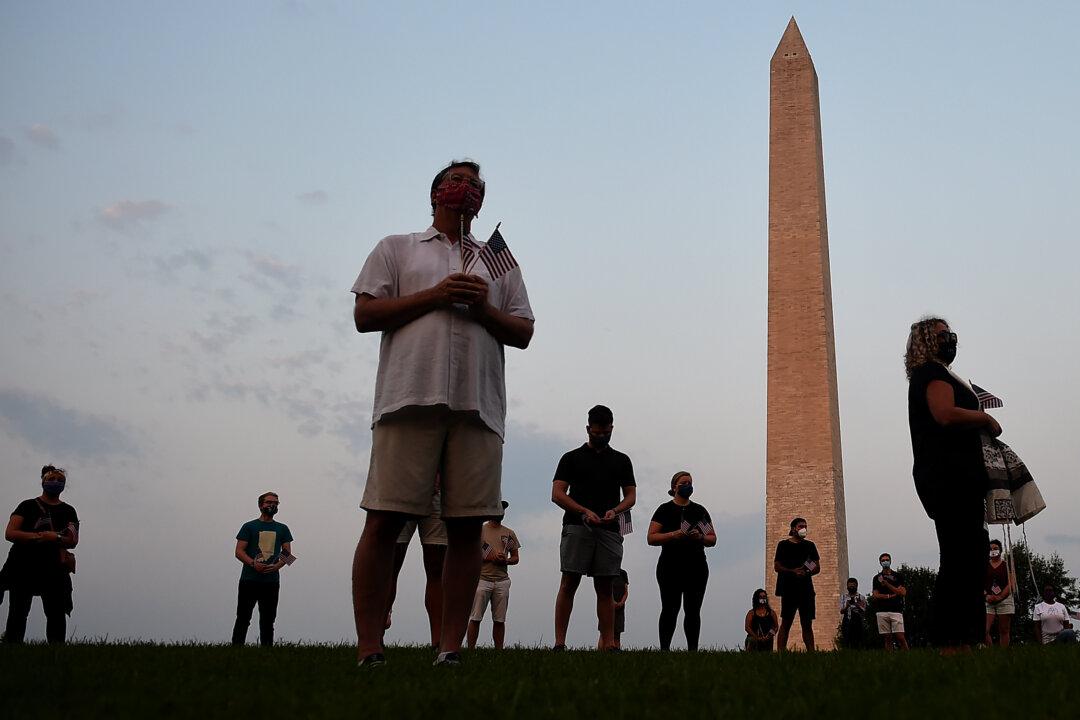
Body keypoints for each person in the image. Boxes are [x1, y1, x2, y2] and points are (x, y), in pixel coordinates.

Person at [350, 159, 534, 667]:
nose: (465, 189)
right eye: (457, 180)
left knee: (466, 529)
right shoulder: (397, 247)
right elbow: (365, 314)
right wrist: (435, 296)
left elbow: (523, 330)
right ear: (435, 192)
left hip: (477, 408)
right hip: (408, 397)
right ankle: (370, 648)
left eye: (476, 184)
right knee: (384, 520)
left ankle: (449, 648)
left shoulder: (497, 261)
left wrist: (482, 310)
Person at [906, 317, 996, 649]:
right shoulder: (931, 374)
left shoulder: (936, 374)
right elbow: (944, 413)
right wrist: (985, 418)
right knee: (960, 558)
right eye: (944, 335)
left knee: (971, 556)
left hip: (959, 478)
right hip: (949, 479)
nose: (951, 339)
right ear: (926, 341)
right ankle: (950, 642)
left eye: (951, 334)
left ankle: (968, 640)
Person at [551, 404, 636, 651]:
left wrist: (616, 511)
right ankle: (560, 643)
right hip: (577, 528)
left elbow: (630, 496)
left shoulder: (621, 460)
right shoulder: (571, 458)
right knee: (569, 582)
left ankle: (609, 643)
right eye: (595, 432)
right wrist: (583, 511)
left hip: (609, 530)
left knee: (605, 586)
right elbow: (557, 493)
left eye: (604, 432)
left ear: (611, 429)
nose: (600, 436)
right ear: (588, 429)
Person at [1, 465, 79, 644]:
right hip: (22, 565)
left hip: (54, 568)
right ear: (43, 481)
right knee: (18, 612)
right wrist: (38, 537)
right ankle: (12, 648)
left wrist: (55, 537)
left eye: (60, 480)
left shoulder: (69, 510)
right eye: (51, 479)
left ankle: (56, 652)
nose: (56, 483)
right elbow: (10, 533)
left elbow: (73, 540)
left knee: (56, 613)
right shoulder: (27, 505)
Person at [646, 471, 716, 651]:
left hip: (696, 566)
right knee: (670, 608)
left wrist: (699, 537)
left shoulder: (699, 510)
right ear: (674, 487)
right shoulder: (664, 509)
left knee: (693, 610)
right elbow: (651, 537)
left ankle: (693, 649)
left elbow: (712, 538)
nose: (688, 485)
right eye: (684, 482)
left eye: (690, 482)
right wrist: (673, 534)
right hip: (670, 566)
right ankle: (664, 649)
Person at [384, 487, 447, 649]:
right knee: (390, 566)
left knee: (437, 570)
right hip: (403, 489)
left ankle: (439, 643)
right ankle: (375, 638)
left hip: (438, 493)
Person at [232, 491, 294, 647]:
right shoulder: (249, 526)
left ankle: (267, 649)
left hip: (271, 581)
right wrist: (253, 564)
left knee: (268, 619)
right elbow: (238, 551)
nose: (272, 505)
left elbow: (288, 554)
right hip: (249, 579)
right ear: (261, 505)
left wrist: (277, 566)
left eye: (276, 503)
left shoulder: (283, 528)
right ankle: (236, 648)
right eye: (269, 502)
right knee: (243, 617)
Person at [466, 501, 520, 650]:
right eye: (498, 509)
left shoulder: (509, 533)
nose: (500, 513)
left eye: (502, 510)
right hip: (482, 579)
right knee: (475, 617)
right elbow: (471, 553)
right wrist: (491, 558)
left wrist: (506, 561)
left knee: (499, 619)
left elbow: (516, 557)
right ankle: (470, 648)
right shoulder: (480, 530)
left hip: (502, 581)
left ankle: (499, 650)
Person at [773, 517, 820, 651]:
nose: (804, 529)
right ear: (793, 528)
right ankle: (781, 652)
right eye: (800, 526)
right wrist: (792, 571)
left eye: (805, 526)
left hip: (806, 589)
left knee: (807, 624)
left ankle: (811, 652)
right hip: (788, 589)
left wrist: (805, 571)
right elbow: (777, 566)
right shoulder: (783, 545)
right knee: (786, 622)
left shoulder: (809, 546)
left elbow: (816, 566)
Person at [871, 553, 909, 650]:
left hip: (896, 609)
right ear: (880, 562)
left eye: (887, 560)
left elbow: (903, 592)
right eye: (883, 560)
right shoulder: (876, 578)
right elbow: (875, 595)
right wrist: (889, 595)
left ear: (890, 561)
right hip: (881, 610)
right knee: (887, 638)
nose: (885, 562)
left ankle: (908, 655)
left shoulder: (898, 576)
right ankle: (889, 658)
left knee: (900, 637)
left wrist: (887, 584)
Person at [984, 539, 1014, 647]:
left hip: (1005, 600)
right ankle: (991, 653)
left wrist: (1000, 596)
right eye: (990, 549)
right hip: (988, 600)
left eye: (995, 548)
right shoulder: (984, 566)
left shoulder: (1007, 565)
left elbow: (1011, 584)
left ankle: (1003, 653)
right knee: (984, 629)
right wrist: (986, 596)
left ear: (1000, 550)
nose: (993, 551)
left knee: (1004, 629)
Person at [839, 577, 867, 649]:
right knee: (846, 639)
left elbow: (864, 610)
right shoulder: (843, 597)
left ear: (856, 586)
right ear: (847, 586)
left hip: (858, 621)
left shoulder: (861, 597)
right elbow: (841, 611)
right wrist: (847, 606)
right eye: (850, 586)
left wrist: (857, 605)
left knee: (858, 640)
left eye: (853, 586)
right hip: (847, 620)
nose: (851, 587)